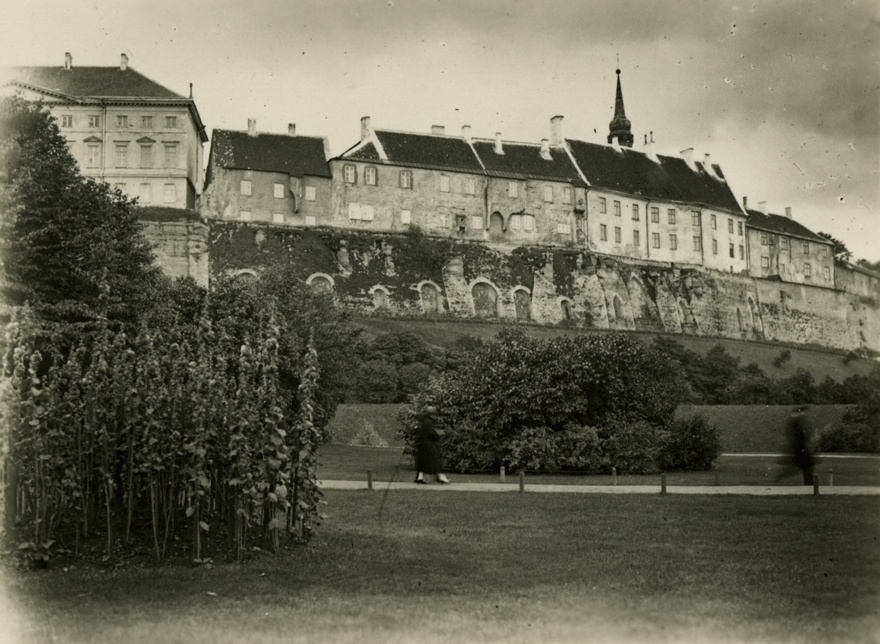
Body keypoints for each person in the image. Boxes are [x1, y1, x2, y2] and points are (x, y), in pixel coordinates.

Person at [777, 405, 816, 485]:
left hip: (799, 449)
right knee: (808, 467)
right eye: (803, 412)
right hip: (800, 449)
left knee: (802, 468)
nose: (804, 414)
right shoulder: (797, 421)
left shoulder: (795, 421)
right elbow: (800, 436)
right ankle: (809, 485)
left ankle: (778, 479)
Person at [414, 405, 450, 484]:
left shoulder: (423, 421)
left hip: (422, 443)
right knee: (435, 460)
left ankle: (420, 477)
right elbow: (430, 433)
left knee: (422, 461)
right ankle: (441, 477)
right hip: (429, 444)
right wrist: (438, 435)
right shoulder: (428, 422)